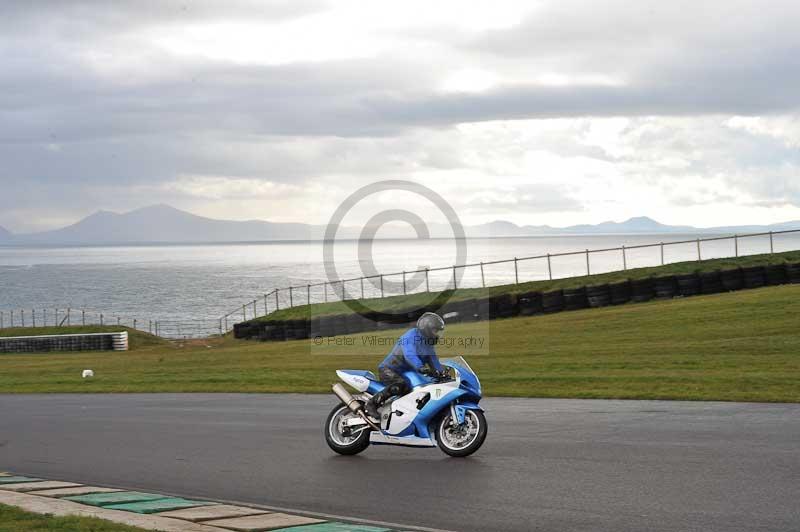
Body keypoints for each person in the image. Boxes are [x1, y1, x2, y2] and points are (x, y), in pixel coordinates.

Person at [364, 312, 448, 419]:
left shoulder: (428, 344)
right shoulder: (410, 336)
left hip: (407, 372)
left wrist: (441, 373)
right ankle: (371, 404)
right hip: (389, 369)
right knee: (401, 385)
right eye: (435, 330)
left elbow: (433, 360)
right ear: (426, 328)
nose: (436, 334)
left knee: (426, 385)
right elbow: (409, 354)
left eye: (438, 331)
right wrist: (420, 367)